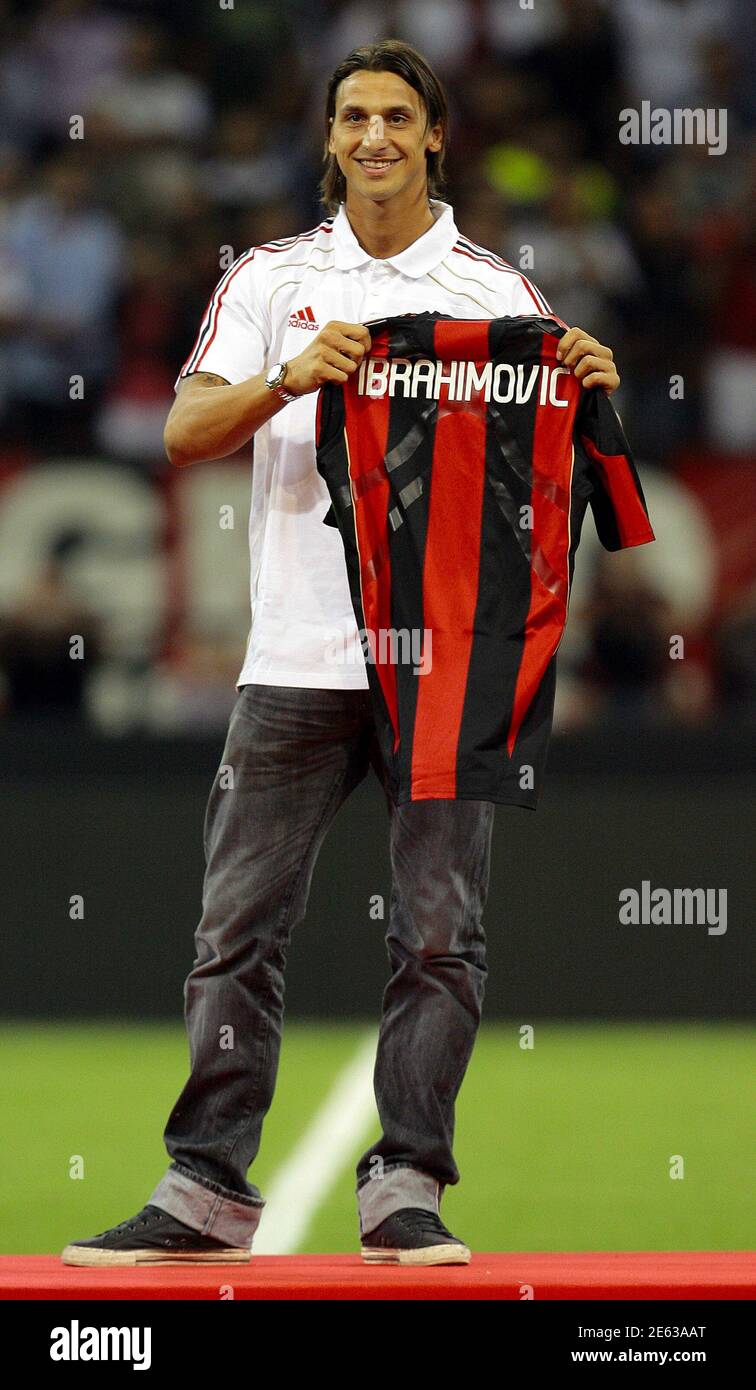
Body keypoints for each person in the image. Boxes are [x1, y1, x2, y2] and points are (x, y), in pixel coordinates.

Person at [62, 39, 620, 1269]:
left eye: (398, 117)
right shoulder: (268, 279)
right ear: (328, 138)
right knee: (235, 926)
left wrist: (585, 390)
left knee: (438, 932)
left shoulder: (498, 297)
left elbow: (545, 496)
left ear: (434, 138)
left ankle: (406, 1183)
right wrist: (284, 378)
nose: (374, 136)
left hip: (446, 668)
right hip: (297, 652)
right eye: (353, 115)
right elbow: (183, 428)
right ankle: (204, 1189)